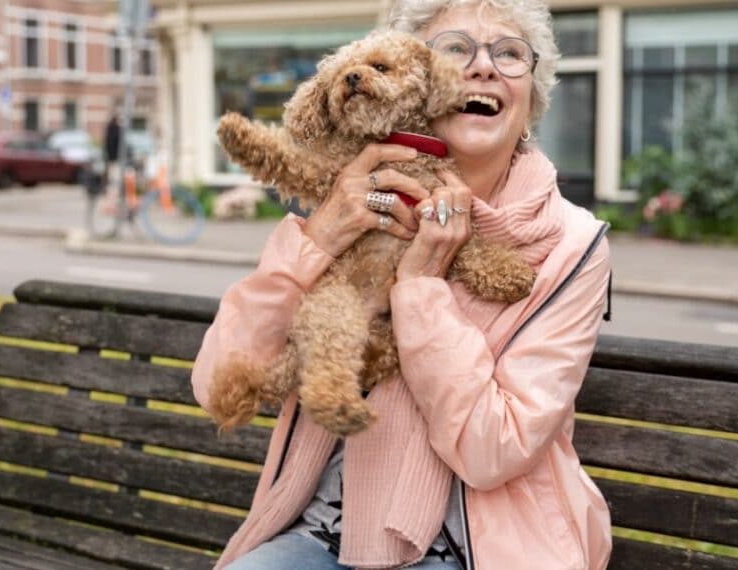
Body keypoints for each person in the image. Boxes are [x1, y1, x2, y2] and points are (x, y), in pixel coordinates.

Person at [190, 1, 613, 568]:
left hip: (473, 551)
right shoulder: (345, 197)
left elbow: (495, 448)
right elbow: (217, 380)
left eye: (509, 53)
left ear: (530, 97)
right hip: (321, 533)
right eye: (455, 48)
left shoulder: (572, 245)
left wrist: (419, 288)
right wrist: (320, 237)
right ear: (417, 87)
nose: (483, 67)